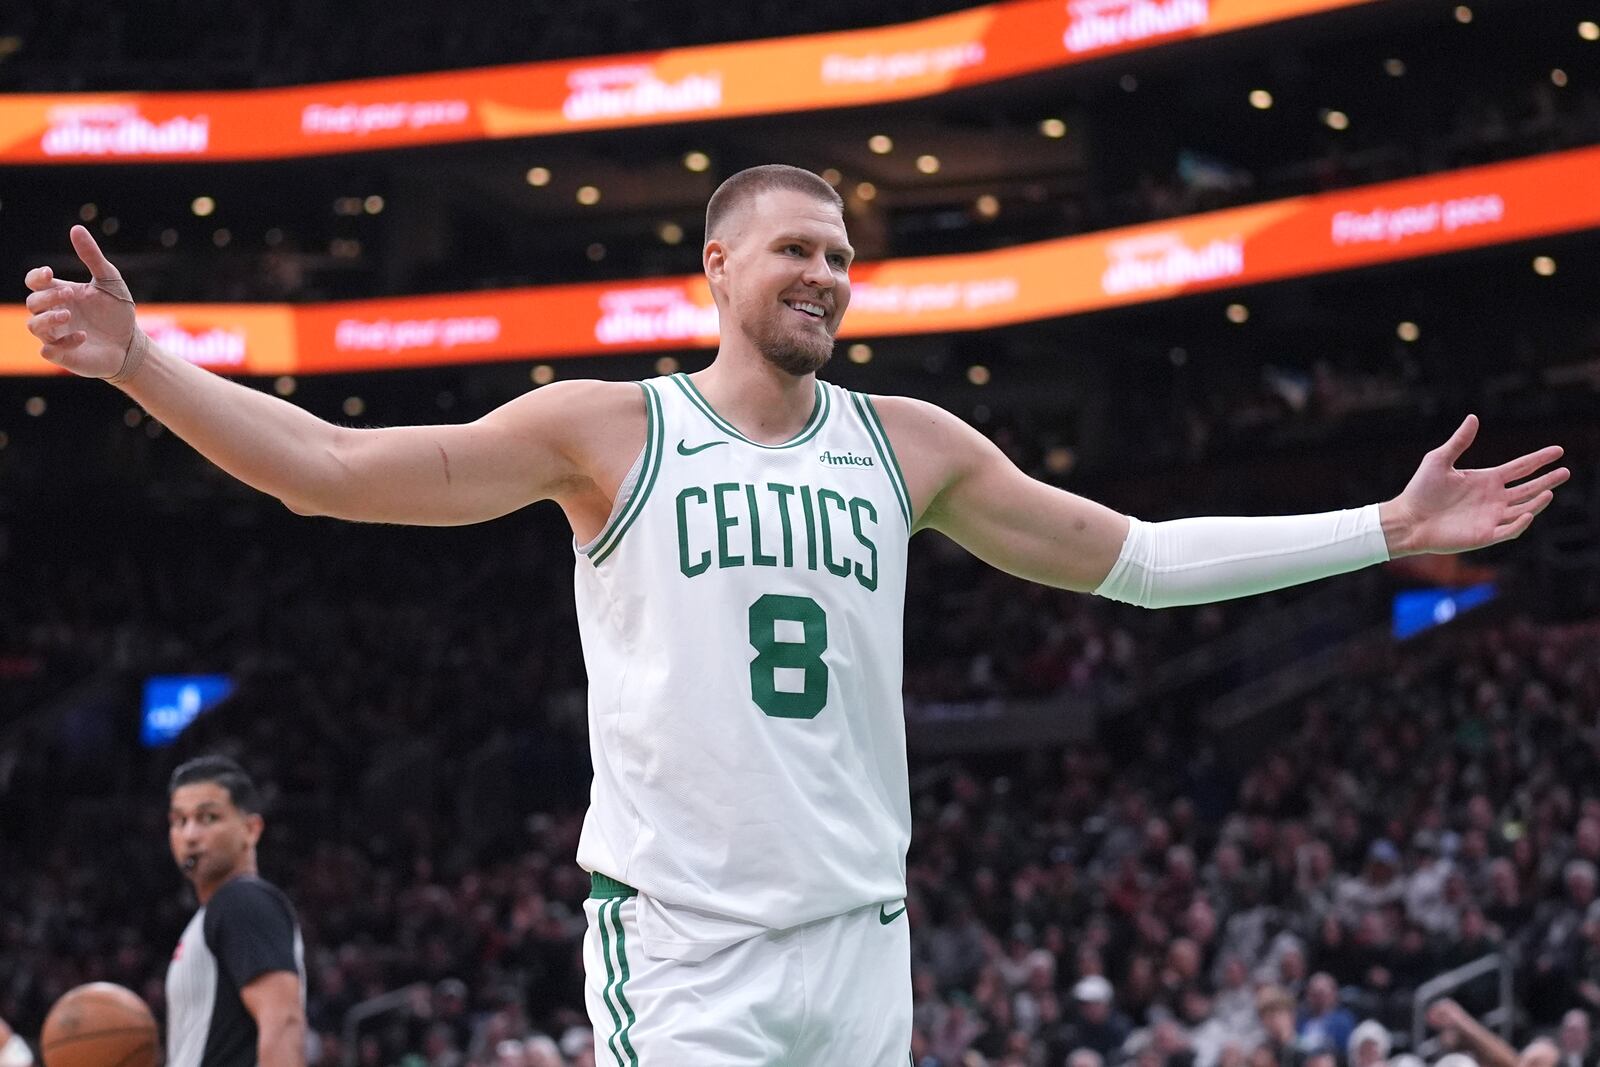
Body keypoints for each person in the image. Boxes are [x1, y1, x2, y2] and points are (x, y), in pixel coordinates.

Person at [21, 164, 1568, 1065]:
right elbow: (336, 471)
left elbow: (1144, 558)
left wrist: (1382, 526)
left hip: (859, 941)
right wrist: (144, 364)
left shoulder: (913, 444)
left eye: (842, 255)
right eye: (796, 250)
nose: (828, 274)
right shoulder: (607, 428)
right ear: (714, 268)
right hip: (686, 947)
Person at [164, 755, 307, 1067]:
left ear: (251, 829)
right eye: (179, 821)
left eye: (208, 818)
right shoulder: (214, 914)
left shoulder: (241, 900)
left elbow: (283, 1021)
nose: (190, 835)